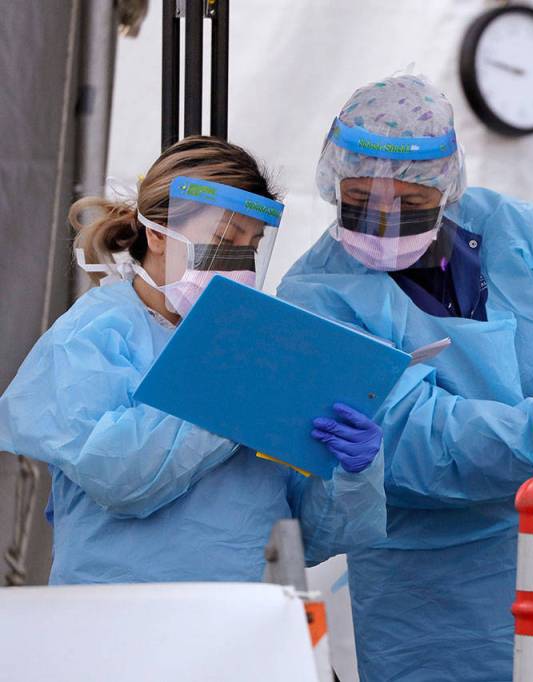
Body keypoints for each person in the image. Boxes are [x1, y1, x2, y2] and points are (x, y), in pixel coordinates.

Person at [278, 74, 533, 681]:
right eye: (361, 201)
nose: (385, 221)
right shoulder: (315, 297)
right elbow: (410, 438)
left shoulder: (515, 233)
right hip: (435, 602)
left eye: (409, 202)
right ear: (333, 182)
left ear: (446, 187)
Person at [0, 136, 387, 584]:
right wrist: (227, 399)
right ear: (157, 234)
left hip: (243, 611)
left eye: (251, 247)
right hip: (118, 611)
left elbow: (310, 537)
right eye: (223, 241)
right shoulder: (92, 336)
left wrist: (349, 474)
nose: (239, 262)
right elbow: (118, 477)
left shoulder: (259, 345)